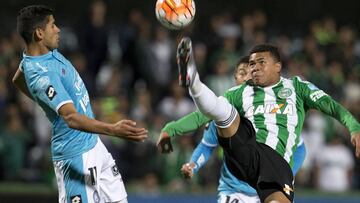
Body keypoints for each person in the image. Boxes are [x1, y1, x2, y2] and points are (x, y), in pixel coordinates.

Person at [159, 37, 360, 203]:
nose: (254, 68)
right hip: (246, 150)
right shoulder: (240, 92)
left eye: (261, 63)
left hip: (276, 164)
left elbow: (332, 107)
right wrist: (171, 128)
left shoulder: (297, 88)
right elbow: (202, 115)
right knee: (222, 113)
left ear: (278, 66)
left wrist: (354, 126)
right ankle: (193, 80)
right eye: (252, 64)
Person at [12, 5, 148, 203]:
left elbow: (17, 79)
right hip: (75, 155)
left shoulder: (36, 56)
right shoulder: (43, 75)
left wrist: (47, 103)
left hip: (93, 145)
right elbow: (71, 118)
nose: (58, 29)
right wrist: (113, 129)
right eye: (52, 25)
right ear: (39, 33)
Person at [158, 56, 306, 203]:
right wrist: (193, 164)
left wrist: (285, 173)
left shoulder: (273, 114)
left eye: (251, 73)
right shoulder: (227, 104)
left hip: (268, 190)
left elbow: (299, 146)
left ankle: (195, 83)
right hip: (235, 192)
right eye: (242, 73)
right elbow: (205, 139)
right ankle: (194, 82)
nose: (247, 77)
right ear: (235, 78)